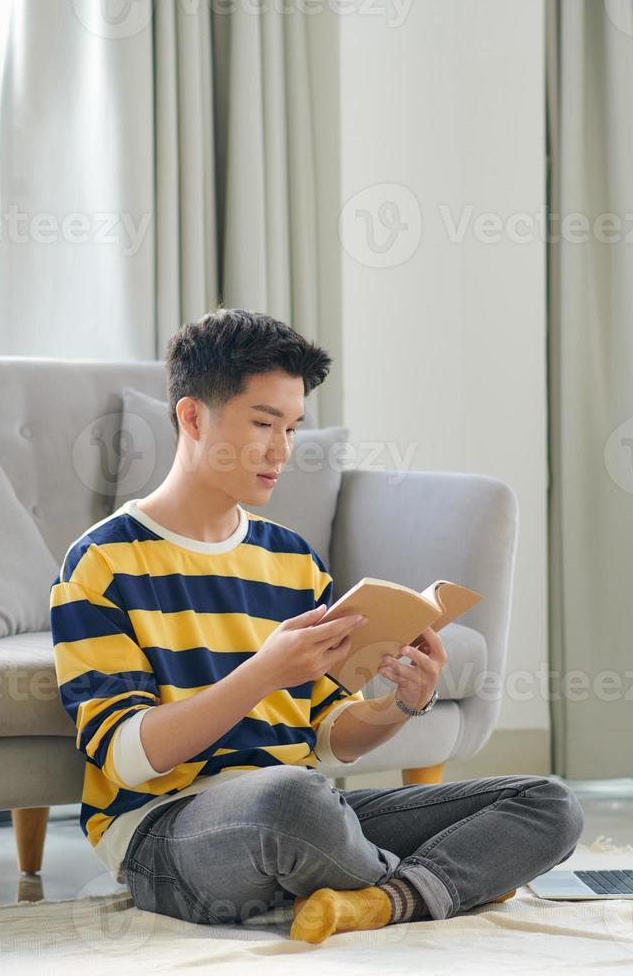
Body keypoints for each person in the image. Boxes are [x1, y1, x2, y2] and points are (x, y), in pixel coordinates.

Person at [50, 308, 584, 943]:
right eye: (263, 423)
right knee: (292, 800)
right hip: (168, 835)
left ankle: (380, 901)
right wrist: (263, 673)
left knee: (547, 803)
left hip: (306, 818)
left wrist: (400, 706)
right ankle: (433, 887)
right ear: (192, 417)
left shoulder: (293, 560)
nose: (282, 449)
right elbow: (129, 757)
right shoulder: (102, 562)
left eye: (294, 427)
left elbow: (330, 738)